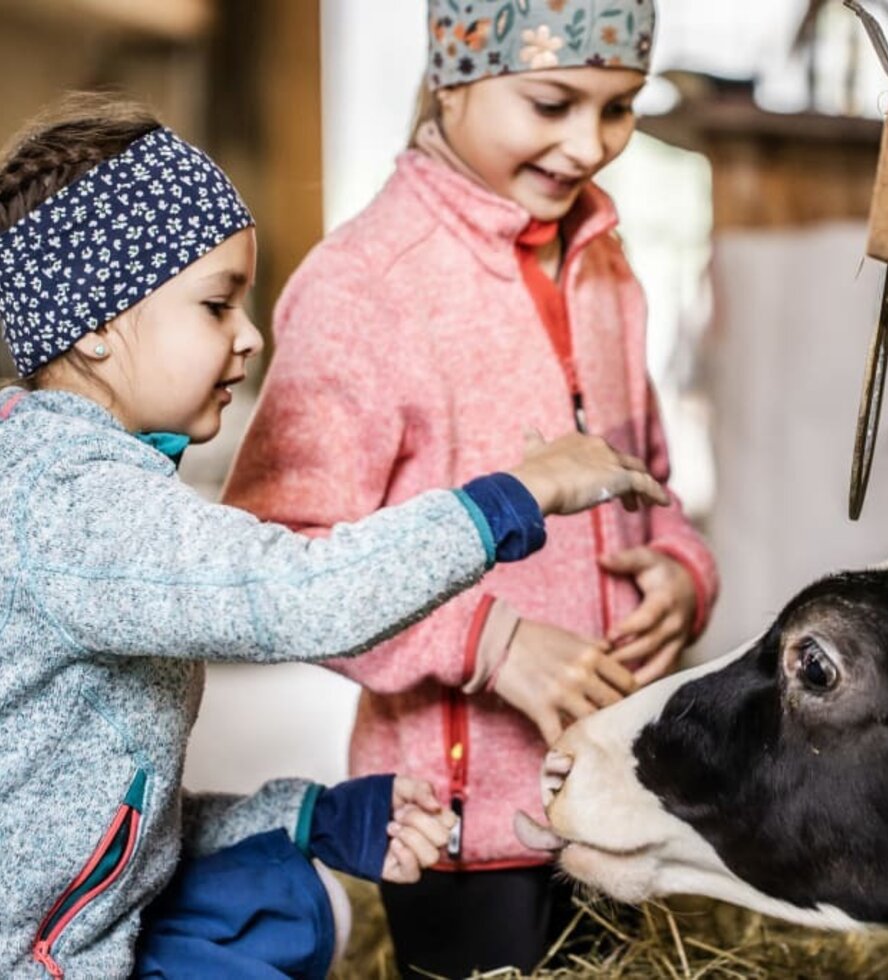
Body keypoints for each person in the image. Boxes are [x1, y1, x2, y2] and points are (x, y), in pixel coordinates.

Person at [0, 94, 666, 980]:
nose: (249, 336)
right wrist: (513, 497)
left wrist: (304, 816)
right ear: (96, 328)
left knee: (275, 901)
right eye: (215, 305)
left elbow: (90, 814)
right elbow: (300, 595)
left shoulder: (83, 483)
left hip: (58, 924)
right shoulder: (71, 501)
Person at [223, 1, 719, 974]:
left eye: (619, 109)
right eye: (551, 101)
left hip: (614, 776)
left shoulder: (605, 264)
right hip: (459, 824)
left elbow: (642, 473)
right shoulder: (363, 286)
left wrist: (680, 568)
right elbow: (277, 562)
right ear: (454, 75)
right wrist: (488, 642)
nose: (589, 145)